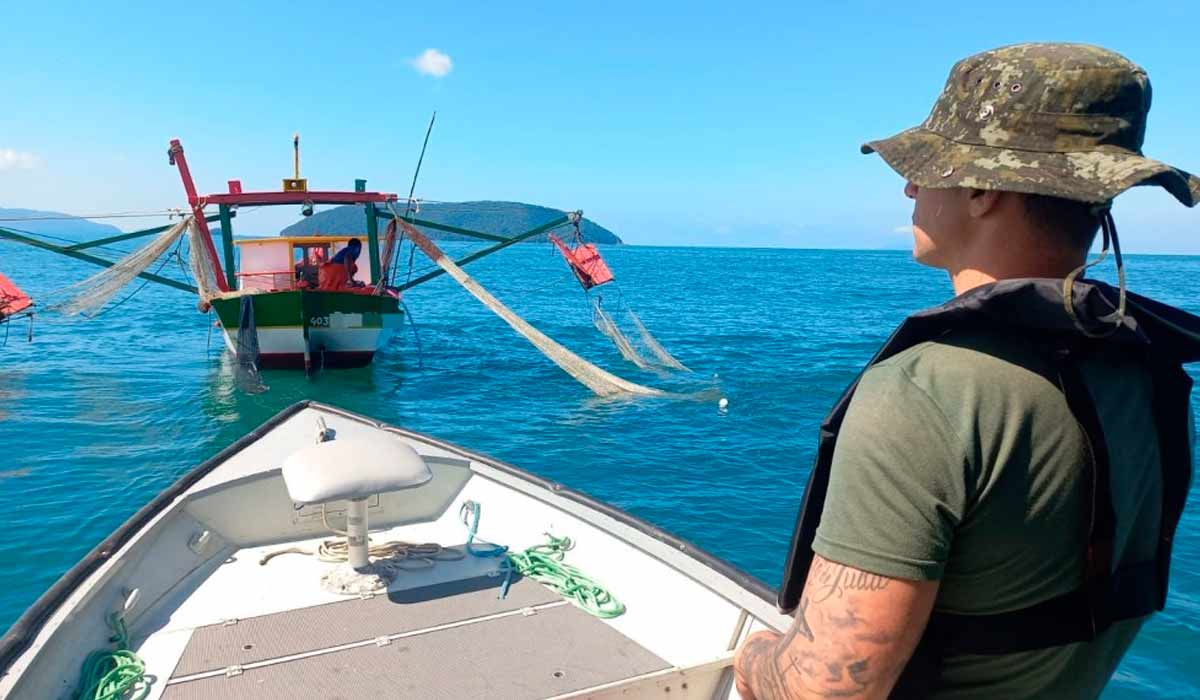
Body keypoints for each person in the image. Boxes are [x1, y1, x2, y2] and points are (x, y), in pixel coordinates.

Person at [734, 43, 1200, 699]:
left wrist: (758, 658)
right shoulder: (1150, 374)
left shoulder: (926, 391)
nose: (910, 187)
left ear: (983, 188)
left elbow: (826, 690)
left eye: (926, 169)